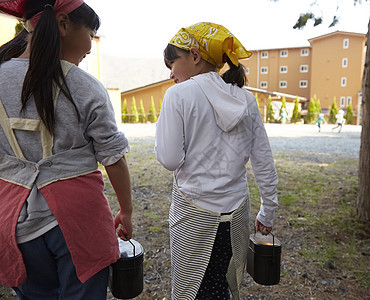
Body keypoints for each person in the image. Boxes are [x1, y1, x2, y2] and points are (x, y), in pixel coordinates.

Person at [0, 0, 133, 299]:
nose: (90, 45)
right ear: (62, 24)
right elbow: (113, 157)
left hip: (14, 220)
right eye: (89, 32)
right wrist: (126, 209)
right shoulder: (85, 86)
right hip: (79, 220)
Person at [155, 22, 279, 300]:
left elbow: (170, 158)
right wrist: (267, 211)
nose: (171, 73)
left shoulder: (178, 95)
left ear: (195, 56)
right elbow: (263, 161)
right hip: (236, 215)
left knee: (192, 290)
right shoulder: (246, 100)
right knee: (221, 285)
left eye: (172, 63)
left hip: (193, 215)